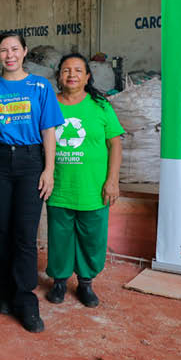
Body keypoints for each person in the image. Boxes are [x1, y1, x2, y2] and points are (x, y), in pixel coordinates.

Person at [0, 32, 62, 333]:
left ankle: (26, 302)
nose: (9, 55)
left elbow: (48, 130)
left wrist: (48, 169)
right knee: (1, 231)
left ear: (25, 52)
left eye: (15, 49)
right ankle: (6, 294)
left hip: (30, 162)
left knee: (25, 234)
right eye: (3, 50)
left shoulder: (40, 86)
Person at [45, 53, 123, 309]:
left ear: (87, 77)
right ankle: (59, 281)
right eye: (66, 70)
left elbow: (115, 144)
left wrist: (112, 180)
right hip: (59, 185)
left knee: (92, 236)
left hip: (93, 186)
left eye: (78, 70)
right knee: (60, 236)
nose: (71, 75)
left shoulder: (100, 106)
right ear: (59, 76)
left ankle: (86, 282)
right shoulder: (49, 104)